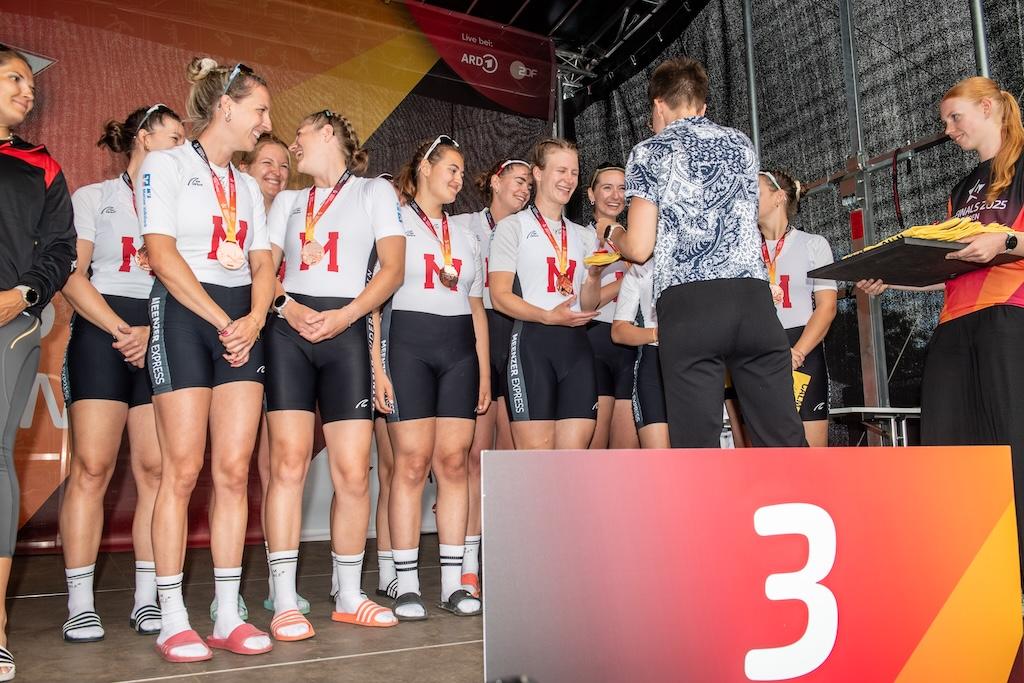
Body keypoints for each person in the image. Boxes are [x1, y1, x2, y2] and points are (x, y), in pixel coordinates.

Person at [857, 76, 1024, 593]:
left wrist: (1006, 240)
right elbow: (952, 263)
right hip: (955, 323)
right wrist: (896, 276)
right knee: (949, 443)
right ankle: (967, 573)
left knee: (1011, 441)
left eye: (955, 118)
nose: (948, 130)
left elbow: (1002, 245)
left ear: (988, 108)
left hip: (1009, 313)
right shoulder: (963, 188)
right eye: (945, 122)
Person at [139, 58, 275, 663]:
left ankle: (225, 613)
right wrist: (225, 321)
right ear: (226, 107)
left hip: (241, 320)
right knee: (182, 468)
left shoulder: (245, 185)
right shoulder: (165, 165)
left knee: (233, 470)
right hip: (186, 314)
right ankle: (171, 617)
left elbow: (263, 263)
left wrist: (255, 317)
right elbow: (162, 254)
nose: (265, 122)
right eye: (259, 110)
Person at [603, 57, 806, 449]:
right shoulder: (741, 144)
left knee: (697, 448)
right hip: (751, 300)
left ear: (659, 105)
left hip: (689, 305)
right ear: (702, 105)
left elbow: (640, 249)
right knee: (782, 437)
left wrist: (613, 232)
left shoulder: (649, 151)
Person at [263, 109, 404, 639]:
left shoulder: (373, 192)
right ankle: (283, 600)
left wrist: (346, 316)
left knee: (353, 472)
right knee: (288, 466)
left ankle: (348, 595)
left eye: (299, 134)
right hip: (289, 332)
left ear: (327, 133)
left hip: (346, 332)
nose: (293, 145)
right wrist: (287, 307)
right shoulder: (288, 202)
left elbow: (393, 268)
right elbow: (263, 268)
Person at [60, 104, 184, 643]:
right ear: (143, 138)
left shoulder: (179, 204)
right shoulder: (94, 197)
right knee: (92, 467)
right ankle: (80, 604)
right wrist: (120, 329)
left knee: (155, 471)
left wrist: (151, 331)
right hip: (102, 331)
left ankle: (145, 598)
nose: (182, 148)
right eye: (174, 137)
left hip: (162, 329)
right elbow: (71, 274)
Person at [373, 135, 488, 620]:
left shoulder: (464, 234)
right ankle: (405, 584)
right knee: (412, 464)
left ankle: (453, 584)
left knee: (454, 464)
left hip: (459, 352)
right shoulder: (394, 222)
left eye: (462, 171)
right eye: (451, 169)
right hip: (407, 347)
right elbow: (374, 301)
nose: (459, 179)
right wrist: (377, 366)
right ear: (424, 167)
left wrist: (483, 369)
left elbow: (476, 306)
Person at [0, 43, 76, 680]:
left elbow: (61, 248)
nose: (29, 92)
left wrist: (23, 295)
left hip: (11, 325)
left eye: (31, 84)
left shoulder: (41, 165)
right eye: (14, 80)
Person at [219, 132, 296, 621]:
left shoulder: (292, 211)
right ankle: (227, 590)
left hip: (281, 341)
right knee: (233, 465)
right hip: (237, 335)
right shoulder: (230, 210)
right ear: (245, 168)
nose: (276, 172)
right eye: (266, 162)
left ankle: (277, 581)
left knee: (276, 466)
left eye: (284, 165)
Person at [448, 157, 531, 597]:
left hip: (517, 336)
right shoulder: (462, 225)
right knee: (476, 458)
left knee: (512, 459)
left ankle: (508, 560)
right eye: (518, 180)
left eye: (529, 184)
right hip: (477, 335)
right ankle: (467, 565)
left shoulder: (532, 229)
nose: (524, 189)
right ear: (495, 182)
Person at [489, 138, 605, 450]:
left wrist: (594, 277)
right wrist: (547, 316)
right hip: (532, 346)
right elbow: (499, 296)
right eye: (561, 171)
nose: (569, 179)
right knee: (537, 463)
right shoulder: (512, 227)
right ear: (538, 173)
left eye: (575, 172)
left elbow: (589, 303)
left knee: (573, 463)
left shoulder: (583, 236)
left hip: (576, 349)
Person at [756, 169, 836, 447]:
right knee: (763, 452)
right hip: (759, 351)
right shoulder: (743, 252)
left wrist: (797, 353)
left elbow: (827, 307)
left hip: (802, 349)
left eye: (755, 191)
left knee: (811, 455)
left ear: (779, 197)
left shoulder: (813, 244)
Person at [585, 163, 639, 450]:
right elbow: (584, 301)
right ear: (591, 194)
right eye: (607, 187)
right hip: (593, 339)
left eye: (622, 189)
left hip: (632, 343)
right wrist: (629, 279)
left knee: (626, 453)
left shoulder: (636, 242)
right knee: (595, 449)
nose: (615, 195)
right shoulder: (579, 237)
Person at [611, 259, 668, 448]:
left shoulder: (701, 261)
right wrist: (659, 334)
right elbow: (618, 331)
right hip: (653, 362)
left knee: (695, 457)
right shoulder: (640, 269)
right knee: (659, 459)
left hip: (692, 364)